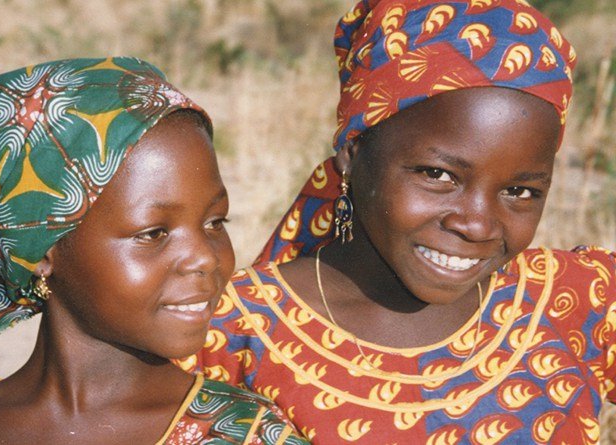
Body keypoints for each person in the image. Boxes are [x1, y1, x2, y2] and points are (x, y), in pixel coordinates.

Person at [185, 1, 616, 443]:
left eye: (520, 192)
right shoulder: (227, 334)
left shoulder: (578, 302)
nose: (478, 225)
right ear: (352, 152)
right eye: (438, 175)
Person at [0, 58, 309, 444]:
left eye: (214, 222)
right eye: (153, 233)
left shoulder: (247, 434)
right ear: (41, 246)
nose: (206, 258)